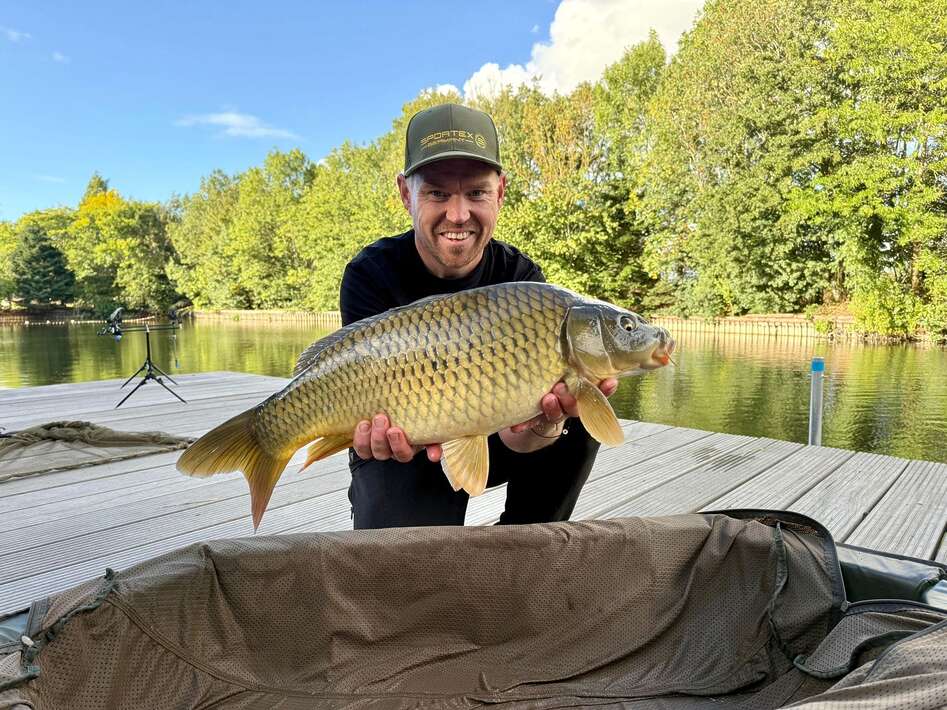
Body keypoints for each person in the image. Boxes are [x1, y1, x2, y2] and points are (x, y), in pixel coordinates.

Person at [339, 103, 617, 529]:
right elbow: (359, 405)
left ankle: (524, 547)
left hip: (498, 434)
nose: (458, 214)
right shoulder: (370, 275)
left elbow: (518, 435)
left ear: (500, 192)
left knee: (579, 411)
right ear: (405, 193)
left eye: (476, 193)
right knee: (403, 556)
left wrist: (545, 425)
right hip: (404, 444)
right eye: (437, 193)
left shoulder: (523, 282)